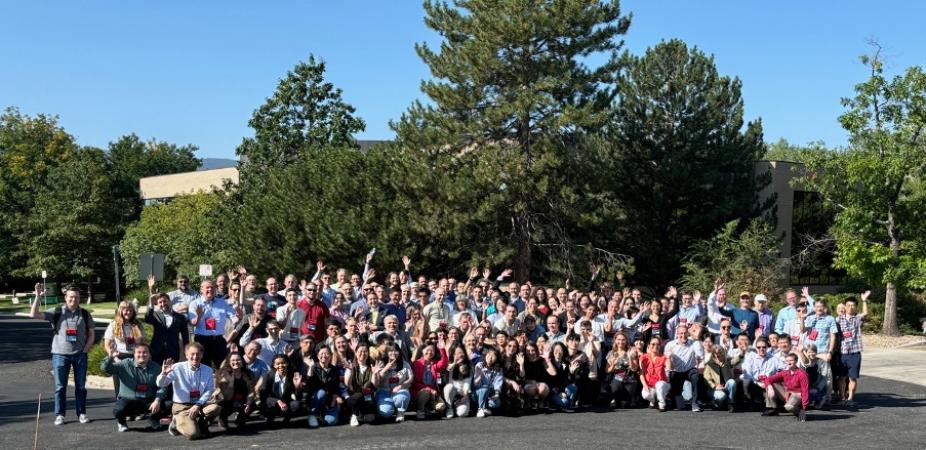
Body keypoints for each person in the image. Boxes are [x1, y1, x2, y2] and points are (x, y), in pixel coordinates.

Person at [29, 284, 95, 426]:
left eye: (76, 297)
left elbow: (91, 334)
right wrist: (38, 297)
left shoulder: (84, 314)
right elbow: (33, 314)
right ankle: (60, 415)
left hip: (80, 355)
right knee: (60, 387)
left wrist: (85, 350)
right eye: (71, 297)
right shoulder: (57, 311)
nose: (74, 299)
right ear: (66, 297)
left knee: (81, 387)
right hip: (60, 355)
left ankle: (81, 413)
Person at [156, 343, 221, 440]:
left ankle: (202, 427)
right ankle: (176, 423)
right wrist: (163, 374)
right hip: (182, 407)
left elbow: (209, 390)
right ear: (186, 355)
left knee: (216, 408)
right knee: (193, 434)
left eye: (198, 354)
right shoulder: (176, 367)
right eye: (192, 354)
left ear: (202, 355)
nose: (195, 357)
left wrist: (198, 404)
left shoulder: (208, 370)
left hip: (199, 404)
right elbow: (161, 384)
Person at [100, 343, 166, 432]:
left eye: (145, 352)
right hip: (129, 401)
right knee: (118, 410)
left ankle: (154, 419)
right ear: (134, 354)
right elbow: (105, 369)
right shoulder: (125, 364)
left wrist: (157, 400)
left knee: (168, 404)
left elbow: (162, 386)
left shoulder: (156, 367)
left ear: (150, 354)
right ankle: (122, 422)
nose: (142, 355)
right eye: (139, 352)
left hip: (148, 401)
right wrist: (110, 357)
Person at [188, 280, 241, 368]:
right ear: (201, 289)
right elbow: (194, 323)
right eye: (207, 287)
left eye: (212, 287)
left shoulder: (222, 303)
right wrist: (199, 316)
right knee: (203, 367)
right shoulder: (195, 304)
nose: (210, 289)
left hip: (218, 340)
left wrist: (239, 317)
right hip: (202, 340)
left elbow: (234, 318)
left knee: (223, 367)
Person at [104, 301, 147, 396]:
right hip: (120, 357)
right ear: (120, 311)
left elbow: (144, 342)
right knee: (120, 385)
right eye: (126, 310)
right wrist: (114, 358)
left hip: (135, 357)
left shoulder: (138, 324)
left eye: (130, 310)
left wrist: (145, 357)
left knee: (137, 384)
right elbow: (107, 344)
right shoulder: (114, 324)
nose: (128, 312)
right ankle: (120, 405)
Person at [836, 291, 869, 407]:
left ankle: (850, 399)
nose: (850, 307)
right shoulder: (838, 320)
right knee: (841, 377)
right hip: (842, 352)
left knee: (852, 377)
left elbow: (865, 313)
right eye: (848, 305)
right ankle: (842, 397)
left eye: (853, 305)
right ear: (844, 306)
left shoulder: (857, 319)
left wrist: (864, 300)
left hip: (855, 352)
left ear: (856, 307)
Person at [664, 323, 704, 412]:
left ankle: (695, 403)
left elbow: (700, 358)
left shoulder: (694, 344)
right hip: (676, 372)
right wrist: (669, 358)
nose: (683, 335)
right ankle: (672, 399)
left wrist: (698, 358)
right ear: (677, 334)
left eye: (685, 333)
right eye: (681, 333)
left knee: (696, 375)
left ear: (688, 334)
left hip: (689, 370)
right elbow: (667, 365)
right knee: (679, 406)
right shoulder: (670, 345)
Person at [214, 352, 256, 431]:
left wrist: (249, 402)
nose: (236, 362)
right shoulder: (224, 374)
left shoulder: (248, 373)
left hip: (242, 399)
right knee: (225, 404)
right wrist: (231, 382)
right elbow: (226, 395)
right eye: (233, 360)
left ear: (242, 361)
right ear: (229, 362)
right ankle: (223, 419)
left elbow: (251, 391)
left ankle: (240, 419)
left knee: (252, 404)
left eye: (238, 360)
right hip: (228, 399)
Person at [762, 353, 809, 422]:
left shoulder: (802, 374)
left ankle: (799, 412)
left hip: (798, 396)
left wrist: (804, 408)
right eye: (787, 361)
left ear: (796, 361)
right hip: (787, 395)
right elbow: (768, 379)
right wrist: (769, 387)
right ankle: (772, 408)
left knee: (788, 407)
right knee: (770, 384)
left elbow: (805, 391)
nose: (789, 362)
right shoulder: (785, 372)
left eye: (791, 360)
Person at [145, 292, 190, 365]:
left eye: (165, 301)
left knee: (172, 374)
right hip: (156, 351)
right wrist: (151, 304)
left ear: (169, 301)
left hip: (173, 351)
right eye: (160, 302)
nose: (163, 304)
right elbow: (147, 319)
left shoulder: (180, 317)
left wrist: (187, 350)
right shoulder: (155, 315)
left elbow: (185, 336)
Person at [303, 346, 342, 427]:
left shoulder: (334, 370)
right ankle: (312, 414)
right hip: (315, 398)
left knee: (331, 422)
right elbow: (308, 384)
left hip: (328, 401)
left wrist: (334, 400)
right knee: (321, 393)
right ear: (317, 356)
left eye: (327, 353)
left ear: (331, 356)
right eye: (321, 353)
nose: (324, 356)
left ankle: (322, 414)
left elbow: (336, 387)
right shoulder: (313, 366)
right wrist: (311, 367)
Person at [373, 344, 413, 422]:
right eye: (391, 351)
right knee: (386, 413)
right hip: (384, 391)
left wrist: (401, 386)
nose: (393, 353)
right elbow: (377, 383)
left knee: (402, 395)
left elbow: (411, 378)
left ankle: (400, 412)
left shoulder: (404, 364)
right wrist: (385, 369)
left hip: (399, 390)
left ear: (399, 352)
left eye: (396, 351)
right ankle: (391, 408)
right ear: (387, 353)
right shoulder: (381, 363)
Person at [256, 355, 299, 427]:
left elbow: (298, 396)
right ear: (274, 365)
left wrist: (297, 386)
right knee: (265, 405)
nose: (281, 365)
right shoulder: (268, 376)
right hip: (273, 403)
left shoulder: (292, 375)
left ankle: (287, 418)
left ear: (287, 363)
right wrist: (277, 401)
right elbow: (263, 395)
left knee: (296, 404)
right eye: (278, 364)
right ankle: (270, 418)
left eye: (283, 363)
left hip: (286, 403)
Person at [411, 340, 449, 419]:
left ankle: (428, 408)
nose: (430, 352)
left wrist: (442, 349)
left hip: (433, 395)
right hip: (419, 394)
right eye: (427, 350)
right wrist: (430, 390)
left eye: (432, 350)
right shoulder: (417, 364)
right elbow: (415, 383)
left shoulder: (434, 363)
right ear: (422, 350)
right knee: (425, 393)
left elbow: (444, 363)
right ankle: (420, 410)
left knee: (441, 407)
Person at [345, 344, 377, 426]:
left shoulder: (371, 367)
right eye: (360, 351)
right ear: (355, 353)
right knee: (358, 395)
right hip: (354, 398)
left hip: (367, 398)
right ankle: (354, 414)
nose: (363, 354)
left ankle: (360, 414)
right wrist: (350, 371)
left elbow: (375, 385)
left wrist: (374, 373)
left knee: (370, 419)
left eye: (365, 352)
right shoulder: (352, 366)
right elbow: (347, 384)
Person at [605, 333, 640, 408]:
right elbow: (607, 371)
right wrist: (613, 365)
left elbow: (634, 369)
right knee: (616, 386)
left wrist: (630, 357)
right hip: (617, 376)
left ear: (626, 341)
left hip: (629, 376)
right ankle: (614, 398)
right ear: (615, 340)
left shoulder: (631, 351)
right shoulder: (611, 353)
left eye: (623, 340)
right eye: (618, 339)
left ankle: (629, 399)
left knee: (626, 404)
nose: (621, 342)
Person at [640, 337, 670, 412]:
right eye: (653, 344)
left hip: (662, 384)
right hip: (650, 385)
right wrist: (645, 386)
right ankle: (654, 401)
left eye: (658, 344)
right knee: (645, 394)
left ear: (660, 346)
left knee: (659, 385)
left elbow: (669, 368)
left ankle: (662, 404)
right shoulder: (644, 357)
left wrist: (669, 360)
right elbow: (641, 374)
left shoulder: (664, 357)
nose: (655, 346)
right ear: (648, 345)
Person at [704, 346, 738, 412]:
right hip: (714, 389)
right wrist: (715, 386)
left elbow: (736, 360)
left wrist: (742, 354)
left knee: (732, 382)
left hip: (725, 387)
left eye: (720, 353)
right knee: (721, 396)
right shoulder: (709, 364)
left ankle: (730, 403)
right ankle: (715, 402)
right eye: (716, 353)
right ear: (713, 354)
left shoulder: (727, 362)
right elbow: (707, 379)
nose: (718, 354)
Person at [443, 344, 473, 419]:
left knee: (462, 413)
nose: (458, 355)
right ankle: (449, 408)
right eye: (455, 353)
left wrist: (465, 396)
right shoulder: (449, 364)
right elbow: (448, 371)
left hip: (462, 394)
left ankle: (456, 405)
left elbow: (467, 382)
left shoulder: (469, 365)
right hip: (452, 392)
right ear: (452, 354)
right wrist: (454, 364)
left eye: (460, 352)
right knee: (449, 387)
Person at [473, 347, 504, 417]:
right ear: (486, 354)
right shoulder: (479, 365)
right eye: (489, 354)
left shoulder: (498, 369)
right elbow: (475, 383)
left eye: (493, 356)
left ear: (497, 359)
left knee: (496, 403)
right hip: (478, 392)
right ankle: (480, 408)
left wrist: (496, 394)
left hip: (489, 393)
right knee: (484, 388)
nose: (490, 358)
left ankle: (485, 407)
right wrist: (480, 376)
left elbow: (498, 383)